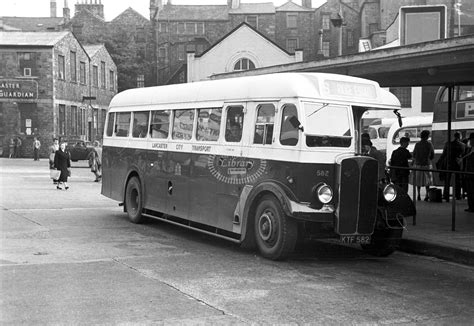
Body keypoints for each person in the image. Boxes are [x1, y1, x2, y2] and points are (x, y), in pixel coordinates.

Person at [441, 132, 466, 202]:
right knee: (458, 180)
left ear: (454, 136)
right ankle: (458, 195)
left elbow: (444, 154)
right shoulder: (463, 145)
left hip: (449, 164)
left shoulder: (447, 144)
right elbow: (463, 155)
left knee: (447, 180)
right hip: (457, 165)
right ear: (460, 137)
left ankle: (446, 195)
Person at [412, 130, 434, 201]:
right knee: (427, 181)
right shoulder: (429, 144)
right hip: (426, 164)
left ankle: (418, 194)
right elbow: (432, 155)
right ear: (427, 136)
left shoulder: (417, 144)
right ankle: (427, 195)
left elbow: (414, 154)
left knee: (418, 181)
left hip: (418, 164)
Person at [463, 133, 474, 212]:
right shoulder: (470, 149)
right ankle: (471, 206)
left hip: (472, 173)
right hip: (468, 173)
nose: (471, 141)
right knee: (470, 191)